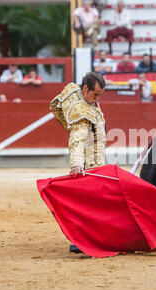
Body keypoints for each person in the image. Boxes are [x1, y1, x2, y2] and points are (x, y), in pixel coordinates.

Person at [48, 72, 107, 254]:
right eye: (94, 95)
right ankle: (80, 241)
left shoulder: (72, 90)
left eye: (100, 95)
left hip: (95, 159)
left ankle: (83, 239)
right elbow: (77, 140)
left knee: (90, 204)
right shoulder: (81, 113)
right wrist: (76, 163)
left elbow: (55, 106)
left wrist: (67, 123)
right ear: (85, 88)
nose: (97, 99)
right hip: (89, 163)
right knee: (93, 204)